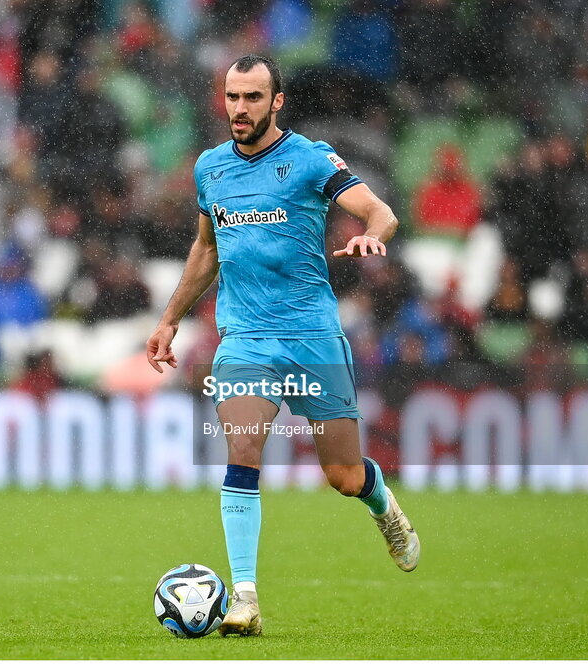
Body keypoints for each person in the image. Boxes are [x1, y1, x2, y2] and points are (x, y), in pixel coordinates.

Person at [145, 54, 419, 638]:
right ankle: (244, 598)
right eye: (232, 97)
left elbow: (381, 212)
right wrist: (169, 320)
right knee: (242, 447)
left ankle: (383, 507)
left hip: (312, 335)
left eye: (252, 97)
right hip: (245, 338)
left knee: (343, 474)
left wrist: (371, 237)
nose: (240, 108)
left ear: (277, 102)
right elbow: (206, 249)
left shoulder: (310, 159)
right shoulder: (210, 168)